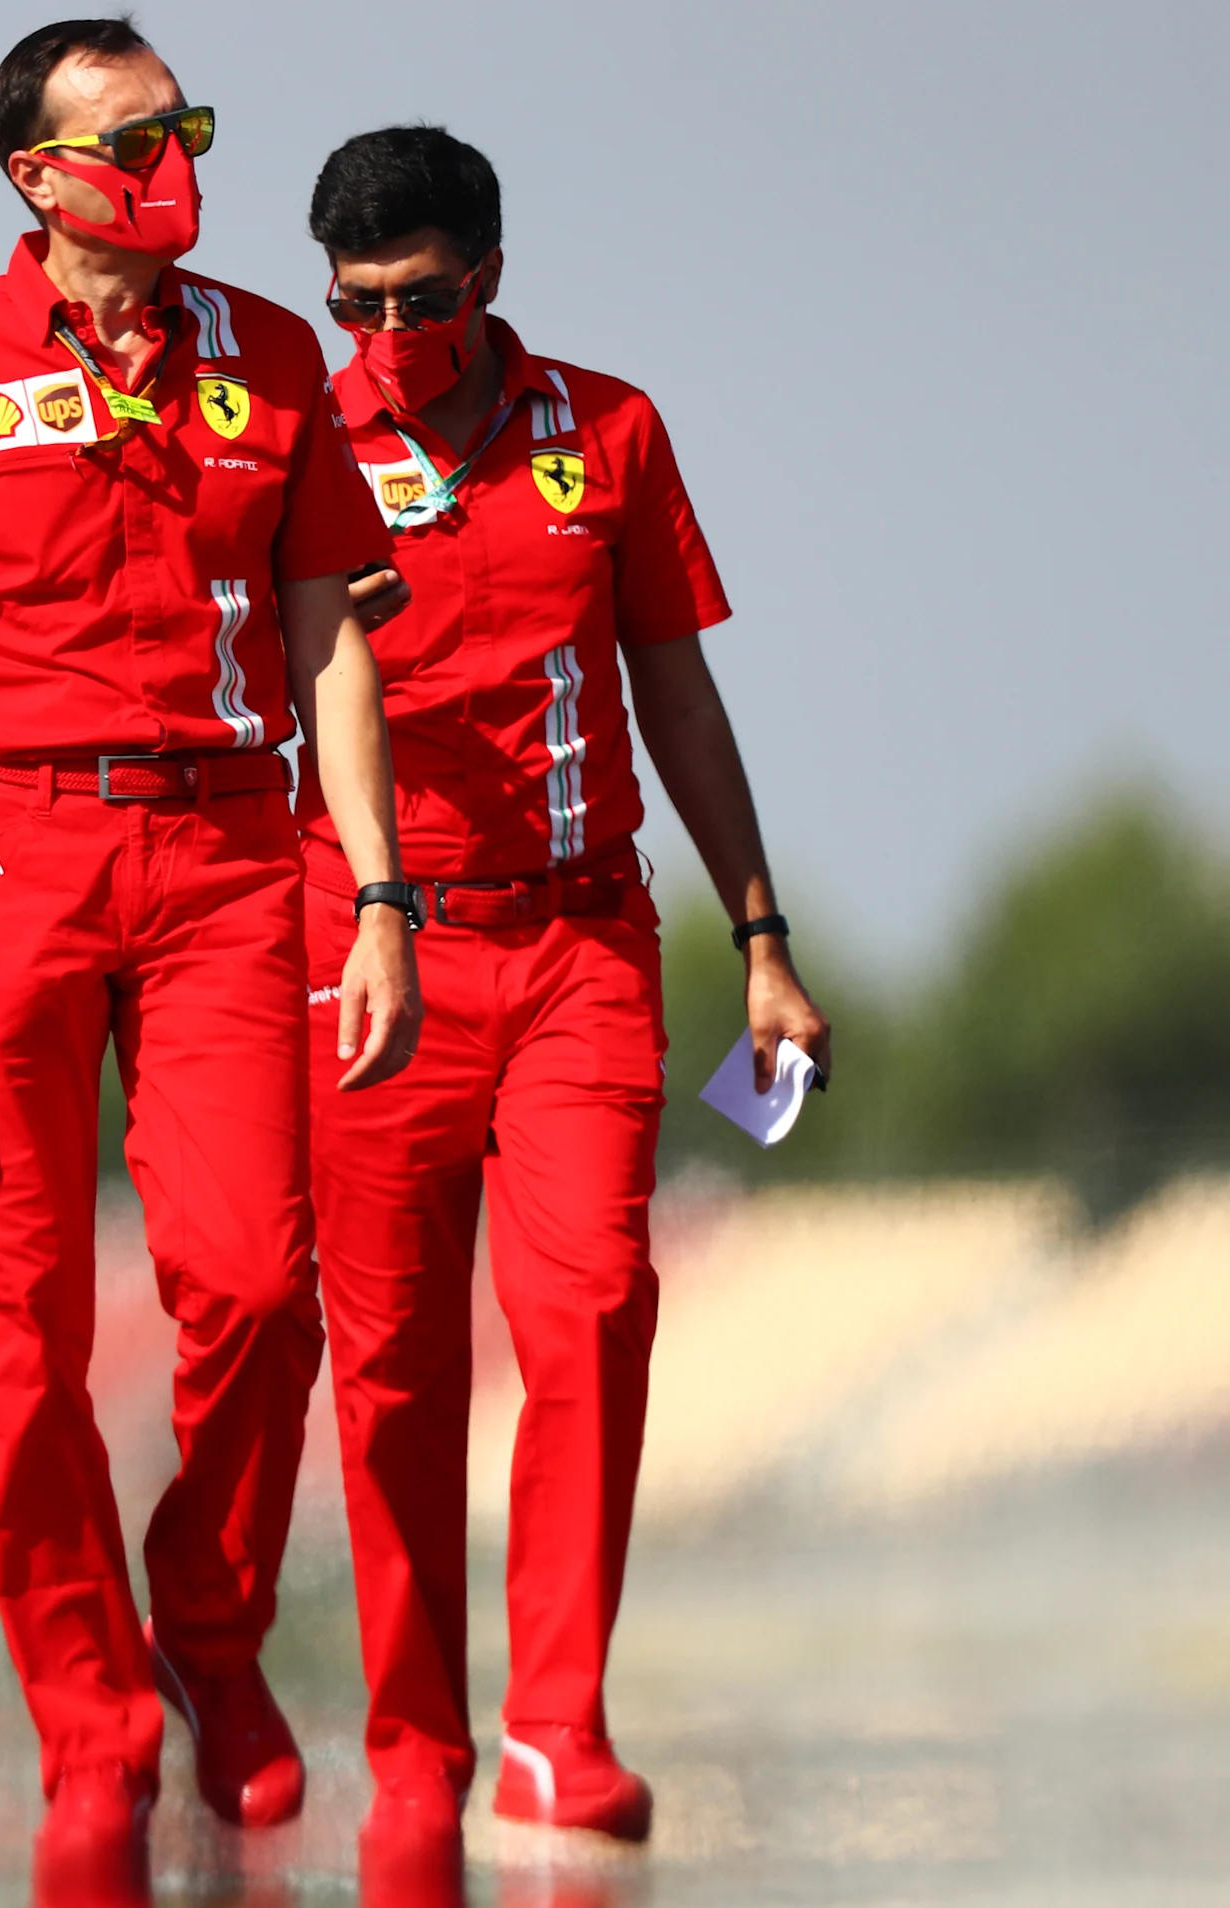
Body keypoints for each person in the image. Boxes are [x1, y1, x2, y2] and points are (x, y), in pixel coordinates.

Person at [0, 18, 423, 1888]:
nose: (169, 162)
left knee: (252, 1273)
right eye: (131, 137)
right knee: (26, 1318)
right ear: (36, 177)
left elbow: (324, 635)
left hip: (232, 852)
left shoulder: (271, 352)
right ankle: (91, 1721)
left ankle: (208, 1635)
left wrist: (377, 889)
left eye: (186, 128)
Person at [299, 127, 828, 1866]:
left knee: (593, 1306)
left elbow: (675, 687)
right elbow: (222, 686)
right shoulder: (302, 441)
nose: (390, 335)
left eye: (424, 298)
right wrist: (314, 622)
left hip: (580, 942)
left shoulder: (606, 429)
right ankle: (410, 1740)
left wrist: (758, 930)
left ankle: (558, 1727)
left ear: (492, 278)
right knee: (388, 1364)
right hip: (370, 945)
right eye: (357, 304)